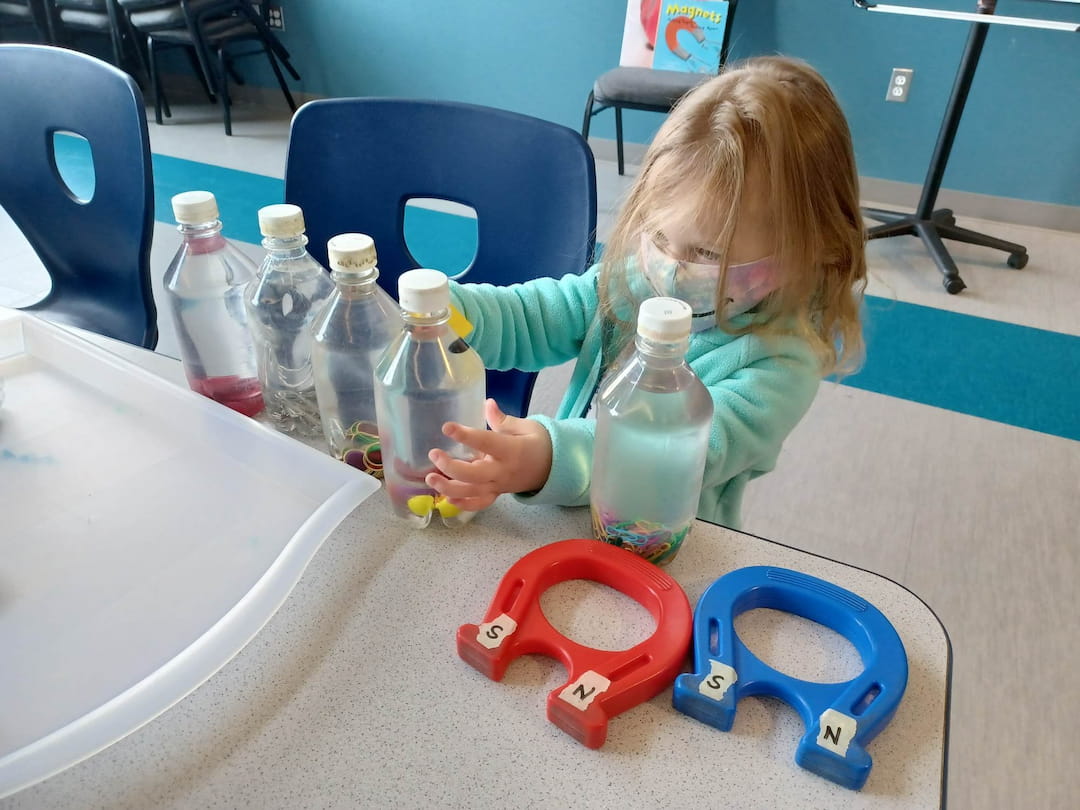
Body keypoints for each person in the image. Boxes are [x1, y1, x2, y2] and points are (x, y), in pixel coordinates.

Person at [425, 55, 867, 529]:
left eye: (709, 253)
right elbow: (535, 317)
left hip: (661, 546)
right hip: (571, 511)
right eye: (658, 236)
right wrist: (451, 310)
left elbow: (669, 455)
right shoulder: (638, 280)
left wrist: (549, 458)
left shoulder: (779, 366)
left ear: (807, 250)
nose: (671, 271)